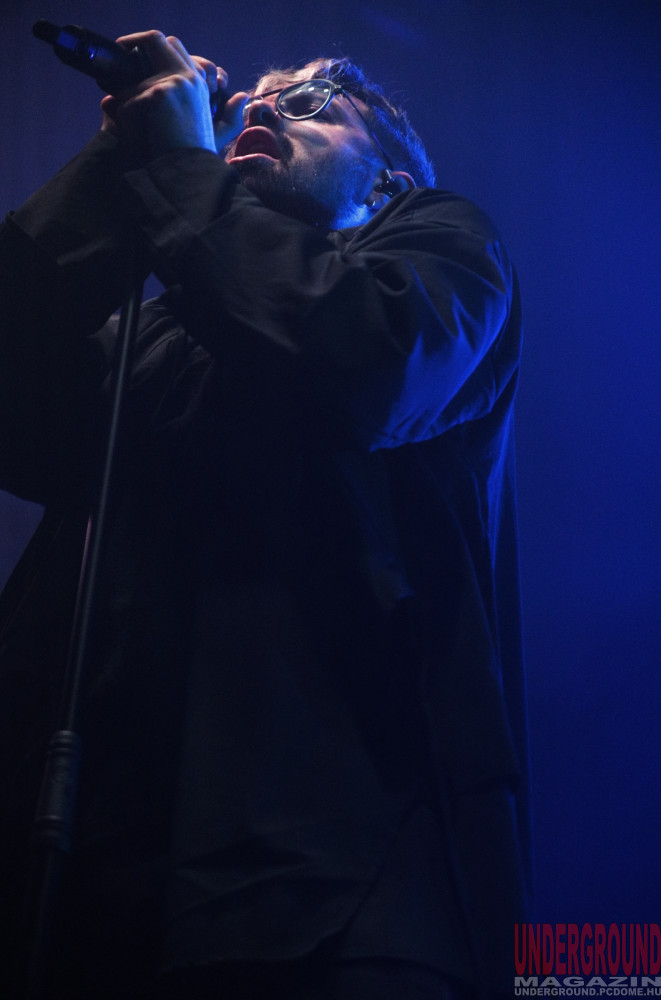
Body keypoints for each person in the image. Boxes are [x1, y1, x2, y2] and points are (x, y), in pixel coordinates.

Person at [0, 29, 530, 1000]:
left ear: (388, 180)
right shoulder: (158, 330)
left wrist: (180, 170)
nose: (261, 109)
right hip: (95, 886)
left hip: (340, 891)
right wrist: (120, 160)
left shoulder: (441, 243)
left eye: (310, 102)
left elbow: (365, 365)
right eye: (249, 102)